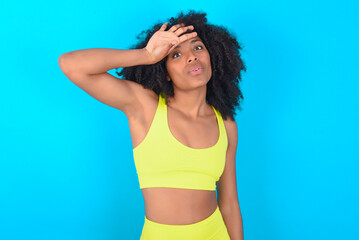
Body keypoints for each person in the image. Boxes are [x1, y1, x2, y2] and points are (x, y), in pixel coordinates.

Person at [58, 9, 246, 240]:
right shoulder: (145, 108)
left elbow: (228, 203)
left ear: (212, 57)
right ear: (164, 72)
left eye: (198, 47)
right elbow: (70, 65)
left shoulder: (226, 123)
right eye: (175, 54)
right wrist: (146, 55)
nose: (191, 57)